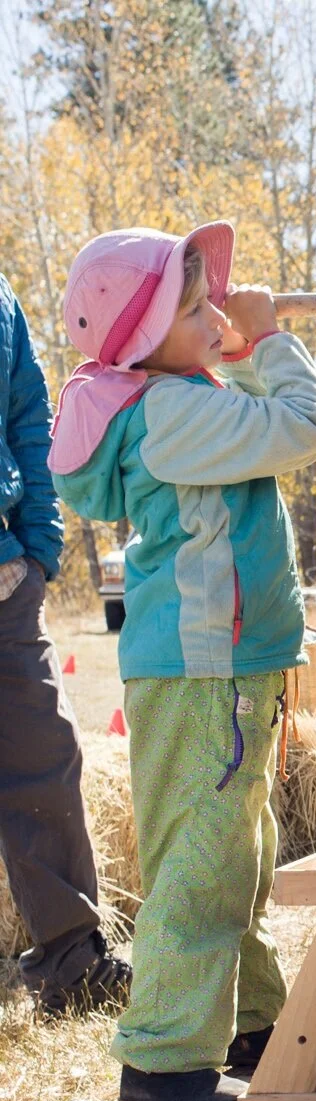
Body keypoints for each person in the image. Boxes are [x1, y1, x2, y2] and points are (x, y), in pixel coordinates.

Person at [49, 223, 316, 1101]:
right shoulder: (171, 412)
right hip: (204, 669)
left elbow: (254, 422)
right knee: (200, 867)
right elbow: (303, 425)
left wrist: (238, 346)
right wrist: (275, 340)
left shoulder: (180, 401)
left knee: (233, 855)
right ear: (143, 339)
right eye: (196, 306)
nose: (217, 314)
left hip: (223, 666)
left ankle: (251, 1025)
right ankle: (163, 1070)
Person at [0, 273, 132, 1017]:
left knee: (45, 760)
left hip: (5, 580)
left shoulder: (1, 297)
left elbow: (26, 416)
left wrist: (38, 551)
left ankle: (72, 962)